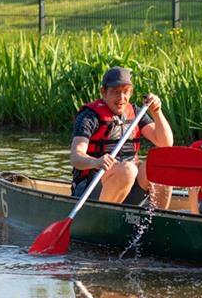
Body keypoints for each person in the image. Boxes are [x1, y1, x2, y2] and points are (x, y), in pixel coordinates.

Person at [70, 66, 174, 207]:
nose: (121, 98)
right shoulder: (89, 116)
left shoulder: (136, 112)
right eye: (115, 92)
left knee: (161, 166)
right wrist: (96, 162)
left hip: (128, 186)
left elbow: (165, 143)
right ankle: (104, 218)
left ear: (131, 92)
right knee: (127, 170)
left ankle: (158, 220)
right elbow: (76, 157)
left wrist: (156, 112)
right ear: (103, 92)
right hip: (91, 187)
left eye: (126, 92)